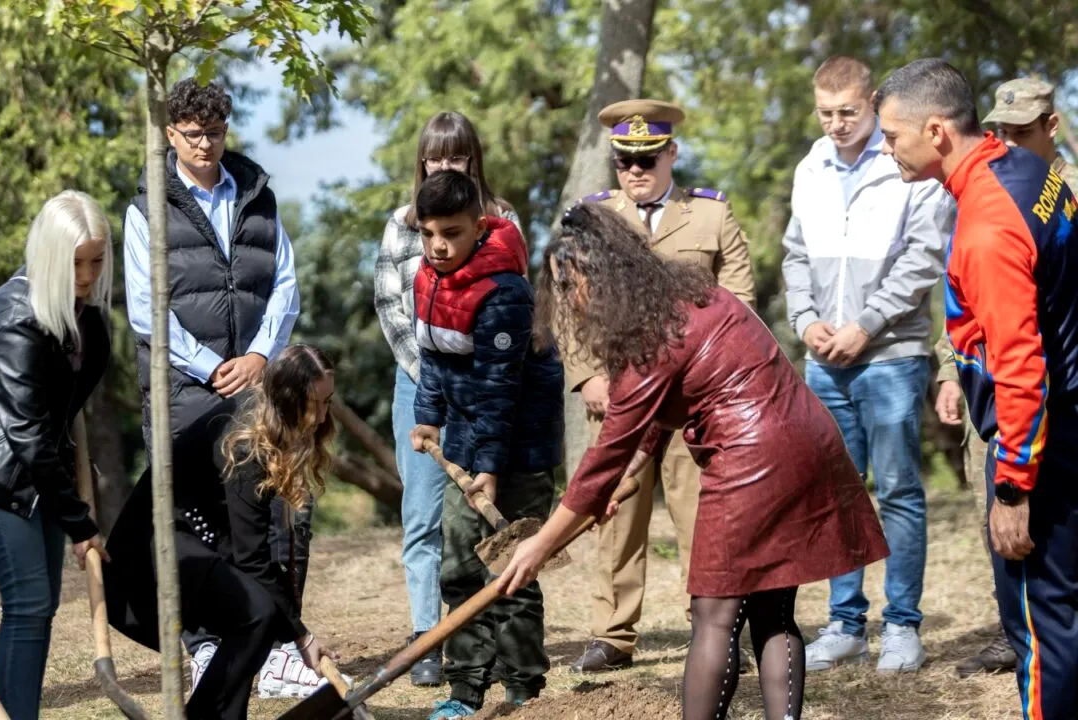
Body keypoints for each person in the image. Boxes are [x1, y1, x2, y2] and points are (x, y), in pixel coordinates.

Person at [497, 201, 889, 720]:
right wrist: (628, 480)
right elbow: (654, 424)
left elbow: (607, 452)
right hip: (807, 440)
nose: (570, 299)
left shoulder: (648, 340)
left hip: (754, 461)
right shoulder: (697, 295)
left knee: (714, 615)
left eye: (572, 284)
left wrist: (540, 545)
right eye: (560, 287)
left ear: (609, 275)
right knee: (773, 610)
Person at [876, 58, 1078, 718]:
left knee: (1040, 624)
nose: (885, 148)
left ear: (935, 131)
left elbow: (1021, 365)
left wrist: (1014, 485)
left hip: (1045, 442)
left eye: (891, 134)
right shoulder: (1030, 173)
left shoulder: (989, 222)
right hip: (1065, 420)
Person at [122, 78, 307, 692]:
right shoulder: (146, 205)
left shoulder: (256, 193)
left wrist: (258, 356)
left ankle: (274, 648)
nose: (206, 144)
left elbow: (285, 283)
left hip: (255, 385)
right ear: (170, 134)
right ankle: (204, 644)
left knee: (263, 517)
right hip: (183, 391)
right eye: (193, 133)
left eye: (216, 132)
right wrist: (209, 366)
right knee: (194, 522)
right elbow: (148, 310)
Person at [565, 98, 756, 674]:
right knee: (616, 513)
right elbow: (570, 308)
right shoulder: (592, 219)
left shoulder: (712, 217)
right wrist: (587, 375)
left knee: (704, 515)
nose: (636, 171)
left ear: (672, 153)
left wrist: (717, 380)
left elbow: (741, 305)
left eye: (648, 158)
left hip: (695, 398)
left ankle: (715, 629)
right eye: (625, 160)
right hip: (619, 391)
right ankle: (612, 635)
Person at [782, 56, 954, 674]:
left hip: (890, 357)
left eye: (848, 112)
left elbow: (923, 260)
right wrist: (806, 322)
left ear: (873, 102)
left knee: (900, 492)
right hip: (824, 360)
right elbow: (795, 253)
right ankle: (845, 623)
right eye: (825, 113)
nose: (836, 124)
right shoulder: (811, 167)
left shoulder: (907, 164)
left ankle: (903, 626)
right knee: (835, 494)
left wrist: (867, 325)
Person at [0, 190, 112, 720]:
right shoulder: (15, 313)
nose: (87, 275)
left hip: (37, 470)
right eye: (76, 263)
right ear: (49, 256)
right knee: (28, 603)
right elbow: (25, 431)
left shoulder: (85, 319)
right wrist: (80, 522)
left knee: (40, 608)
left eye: (96, 261)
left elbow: (62, 414)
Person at [103, 344, 338, 720]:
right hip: (151, 547)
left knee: (253, 614)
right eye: (318, 403)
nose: (324, 416)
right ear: (291, 399)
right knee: (255, 611)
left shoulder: (267, 422)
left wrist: (295, 629)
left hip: (197, 539)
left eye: (329, 401)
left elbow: (251, 549)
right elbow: (252, 557)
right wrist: (302, 636)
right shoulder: (246, 441)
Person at [933, 75, 1078, 680]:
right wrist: (949, 369)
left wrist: (1014, 484)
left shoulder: (1028, 196)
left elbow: (1022, 347)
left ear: (1051, 129)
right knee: (1029, 572)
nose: (1006, 139)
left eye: (1020, 132)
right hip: (1017, 405)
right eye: (1000, 130)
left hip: (1039, 409)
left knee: (1043, 587)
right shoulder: (1021, 184)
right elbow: (977, 308)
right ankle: (1017, 630)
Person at [408, 170, 563, 718]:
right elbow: (430, 355)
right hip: (464, 443)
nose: (439, 246)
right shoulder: (429, 280)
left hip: (517, 450)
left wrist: (492, 470)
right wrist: (428, 418)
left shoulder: (505, 293)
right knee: (458, 568)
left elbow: (501, 391)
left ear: (479, 226)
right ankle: (464, 691)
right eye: (428, 234)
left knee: (512, 568)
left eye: (451, 232)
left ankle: (524, 689)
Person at [374, 110, 521, 686]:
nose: (444, 165)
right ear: (422, 162)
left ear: (472, 159)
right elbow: (391, 309)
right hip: (418, 384)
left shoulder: (501, 220)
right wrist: (431, 373)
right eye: (434, 158)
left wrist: (473, 378)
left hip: (484, 387)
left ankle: (481, 635)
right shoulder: (400, 224)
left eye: (455, 156)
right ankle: (424, 637)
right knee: (422, 516)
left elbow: (512, 302)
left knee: (478, 517)